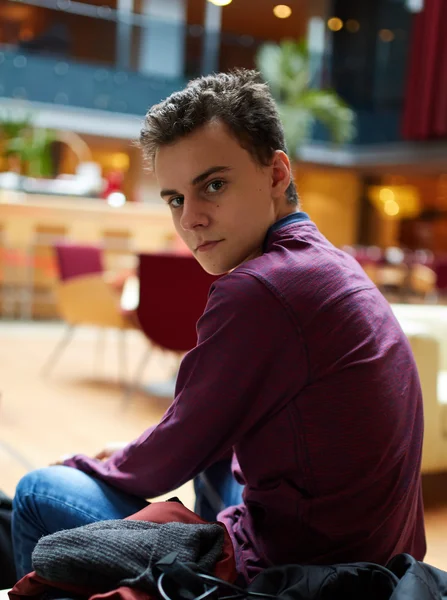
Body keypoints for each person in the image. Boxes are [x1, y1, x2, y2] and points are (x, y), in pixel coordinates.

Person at [12, 70, 426, 583]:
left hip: (305, 578)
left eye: (213, 185)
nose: (191, 220)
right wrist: (128, 458)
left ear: (276, 175)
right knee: (215, 450)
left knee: (38, 492)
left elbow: (166, 460)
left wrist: (90, 464)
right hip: (379, 559)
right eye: (175, 198)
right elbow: (197, 428)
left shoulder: (260, 289)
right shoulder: (330, 263)